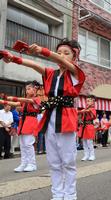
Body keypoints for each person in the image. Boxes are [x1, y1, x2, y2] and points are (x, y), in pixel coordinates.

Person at [1, 39, 85, 200]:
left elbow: (59, 60)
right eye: (59, 52)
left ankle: (70, 195)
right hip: (49, 118)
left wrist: (42, 50)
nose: (62, 56)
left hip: (66, 118)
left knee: (68, 161)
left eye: (67, 53)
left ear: (75, 57)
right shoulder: (50, 73)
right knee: (53, 161)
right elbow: (32, 64)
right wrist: (13, 58)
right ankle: (57, 194)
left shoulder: (76, 72)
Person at [0, 81, 42, 172]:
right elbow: (14, 104)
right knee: (23, 145)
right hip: (23, 122)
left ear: (34, 89)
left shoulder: (37, 99)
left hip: (31, 122)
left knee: (28, 144)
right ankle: (24, 163)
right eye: (26, 89)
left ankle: (32, 164)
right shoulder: (25, 101)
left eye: (29, 88)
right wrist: (3, 101)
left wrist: (11, 97)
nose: (27, 91)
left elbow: (26, 100)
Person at [78, 95, 97, 161]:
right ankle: (86, 155)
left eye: (89, 101)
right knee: (84, 142)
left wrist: (81, 111)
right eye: (86, 101)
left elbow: (91, 114)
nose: (87, 102)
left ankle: (92, 155)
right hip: (84, 127)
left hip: (89, 126)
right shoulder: (85, 109)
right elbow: (81, 114)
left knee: (89, 142)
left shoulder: (92, 109)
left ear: (93, 102)